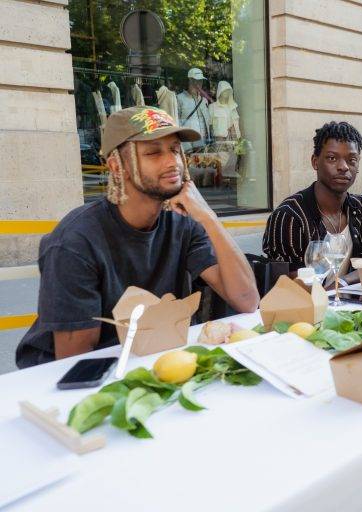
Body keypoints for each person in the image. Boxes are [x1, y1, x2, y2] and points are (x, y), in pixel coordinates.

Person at [17, 107, 259, 368]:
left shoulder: (184, 223)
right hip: (68, 375)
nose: (173, 162)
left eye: (175, 149)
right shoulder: (76, 241)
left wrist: (208, 217)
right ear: (116, 166)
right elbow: (76, 361)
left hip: (150, 357)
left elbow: (247, 301)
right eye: (154, 153)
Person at [262, 121, 362, 281]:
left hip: (349, 296)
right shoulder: (289, 215)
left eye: (352, 160)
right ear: (315, 162)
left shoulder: (361, 208)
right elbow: (291, 282)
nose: (343, 167)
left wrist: (344, 282)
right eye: (332, 158)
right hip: (306, 297)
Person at [177, 68, 212, 150]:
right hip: (187, 142)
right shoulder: (179, 99)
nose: (198, 84)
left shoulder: (204, 100)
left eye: (200, 81)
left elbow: (207, 122)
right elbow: (176, 122)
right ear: (189, 81)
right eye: (195, 81)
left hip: (203, 141)